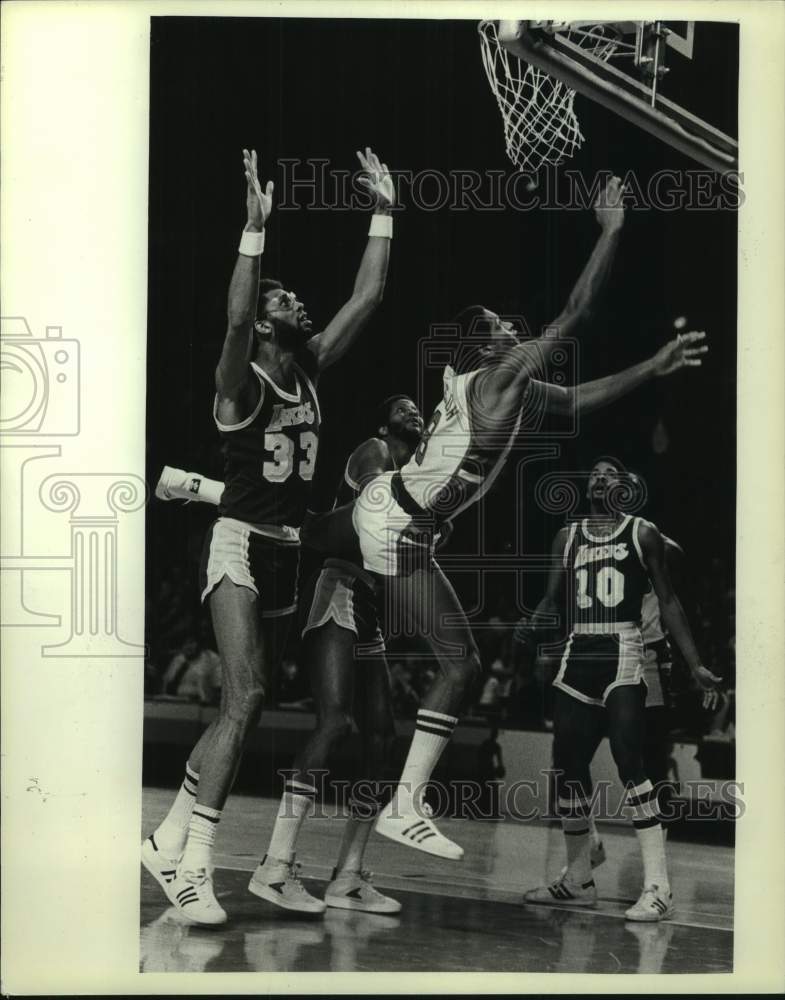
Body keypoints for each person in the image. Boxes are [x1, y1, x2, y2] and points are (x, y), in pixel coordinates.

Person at [142, 145, 396, 925]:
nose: (301, 305)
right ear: (264, 324)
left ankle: (168, 837)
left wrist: (385, 210)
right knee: (245, 697)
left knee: (245, 706)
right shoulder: (238, 380)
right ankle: (192, 866)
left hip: (286, 551)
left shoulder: (310, 365)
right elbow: (232, 315)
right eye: (284, 300)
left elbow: (370, 295)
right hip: (239, 543)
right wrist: (253, 234)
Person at [519, 457, 720, 921]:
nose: (600, 476)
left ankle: (658, 886)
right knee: (568, 764)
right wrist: (532, 626)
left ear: (627, 487)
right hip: (578, 650)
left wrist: (696, 666)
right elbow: (552, 598)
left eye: (612, 472)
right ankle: (578, 878)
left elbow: (668, 600)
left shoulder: (643, 532)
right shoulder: (566, 536)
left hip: (625, 650)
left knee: (633, 762)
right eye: (594, 471)